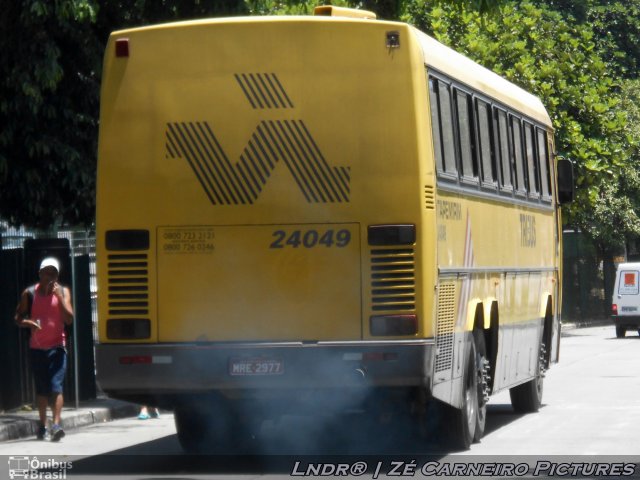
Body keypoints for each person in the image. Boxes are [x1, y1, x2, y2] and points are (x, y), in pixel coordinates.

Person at [14, 257, 74, 441]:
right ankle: (42, 426)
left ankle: (56, 425)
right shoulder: (29, 293)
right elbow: (18, 317)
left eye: (54, 273)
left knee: (56, 386)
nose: (50, 276)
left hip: (57, 347)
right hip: (37, 348)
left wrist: (60, 298)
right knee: (42, 389)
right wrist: (28, 322)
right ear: (39, 274)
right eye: (47, 272)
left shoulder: (63, 292)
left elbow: (69, 319)